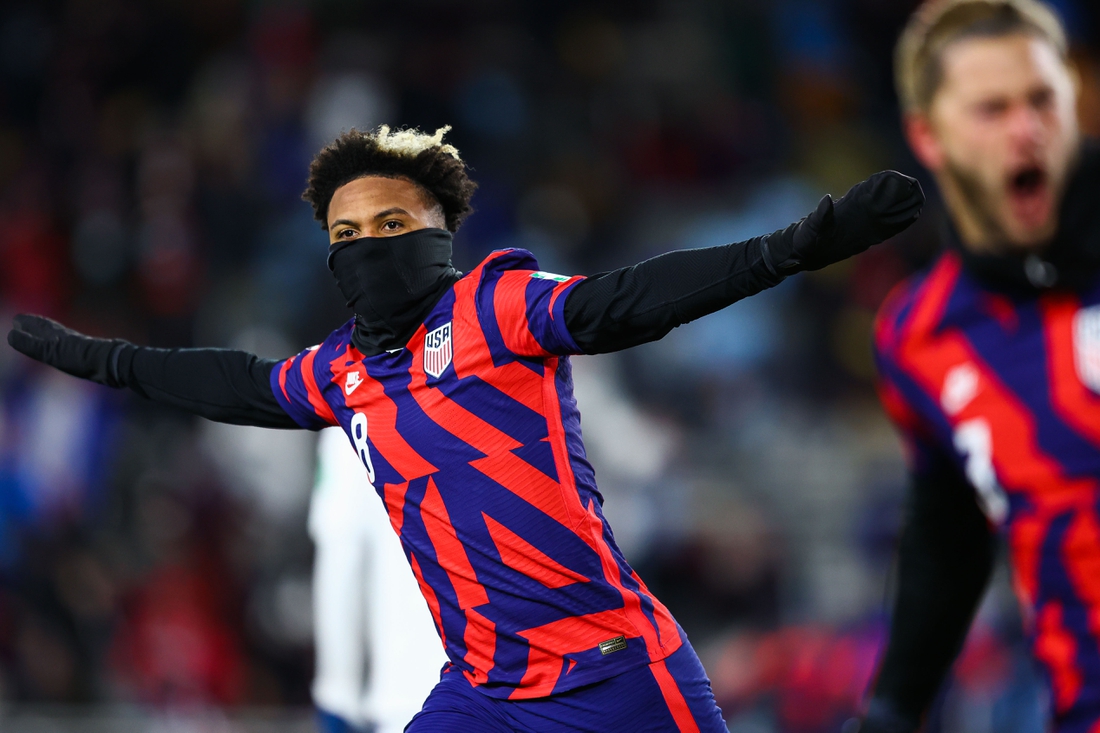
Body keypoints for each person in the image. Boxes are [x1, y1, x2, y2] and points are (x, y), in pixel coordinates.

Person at [7, 123, 922, 731]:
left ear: (442, 235)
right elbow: (240, 384)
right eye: (346, 231)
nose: (367, 245)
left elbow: (629, 301)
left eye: (392, 222)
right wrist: (109, 361)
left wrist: (794, 245)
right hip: (484, 692)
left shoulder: (501, 308)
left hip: (614, 676)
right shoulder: (343, 371)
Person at [861, 1, 1100, 731]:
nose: (1027, 129)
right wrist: (892, 707)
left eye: (1042, 99)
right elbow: (951, 525)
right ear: (927, 136)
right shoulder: (917, 335)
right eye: (992, 109)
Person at [311, 425, 447, 733]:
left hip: (410, 698)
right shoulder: (519, 391)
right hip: (515, 691)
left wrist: (337, 695)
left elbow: (341, 563)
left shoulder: (353, 415)